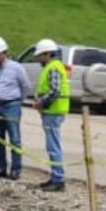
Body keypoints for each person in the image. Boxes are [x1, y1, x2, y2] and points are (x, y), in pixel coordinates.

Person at [0, 36, 32, 180]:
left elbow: (26, 86)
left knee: (14, 139)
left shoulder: (16, 68)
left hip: (11, 104)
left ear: (4, 53)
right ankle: (1, 167)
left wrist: (18, 101)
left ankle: (16, 169)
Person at [33, 39, 70, 192]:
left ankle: (58, 178)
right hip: (51, 111)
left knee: (53, 146)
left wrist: (41, 102)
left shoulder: (53, 68)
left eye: (40, 55)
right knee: (52, 145)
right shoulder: (51, 67)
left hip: (53, 111)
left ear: (47, 54)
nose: (37, 59)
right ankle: (55, 177)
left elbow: (55, 91)